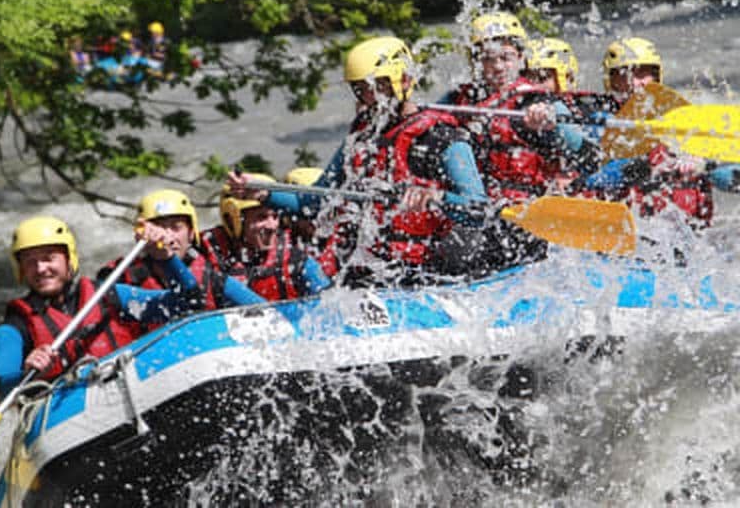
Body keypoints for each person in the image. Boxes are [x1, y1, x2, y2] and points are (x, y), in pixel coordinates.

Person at [228, 36, 541, 286]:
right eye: (361, 90)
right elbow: (318, 202)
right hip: (376, 268)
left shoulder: (441, 137)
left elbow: (478, 210)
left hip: (433, 273)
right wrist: (265, 194)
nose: (369, 99)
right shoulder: (362, 137)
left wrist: (436, 198)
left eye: (377, 87)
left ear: (403, 81)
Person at [0, 215, 200, 400]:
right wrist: (27, 375)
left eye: (49, 258)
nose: (41, 268)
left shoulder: (109, 296)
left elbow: (188, 302)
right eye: (30, 262)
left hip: (133, 396)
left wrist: (166, 258)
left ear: (69, 260)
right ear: (20, 269)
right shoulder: (15, 326)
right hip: (66, 423)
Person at [441, 11, 601, 203]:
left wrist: (552, 125)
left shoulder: (536, 99)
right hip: (482, 206)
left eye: (506, 57)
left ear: (520, 57)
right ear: (475, 61)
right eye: (488, 58)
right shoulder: (460, 98)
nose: (498, 67)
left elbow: (592, 158)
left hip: (529, 205)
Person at [586, 37, 740, 228]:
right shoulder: (600, 122)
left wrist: (705, 166)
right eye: (626, 75)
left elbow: (730, 176)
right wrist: (647, 167)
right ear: (612, 82)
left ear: (657, 77)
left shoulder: (684, 120)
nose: (636, 83)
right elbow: (593, 180)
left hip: (685, 237)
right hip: (627, 234)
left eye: (643, 74)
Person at [97, 189, 266, 328]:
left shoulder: (215, 282)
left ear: (191, 233)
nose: (168, 237)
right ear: (140, 235)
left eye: (176, 228)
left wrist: (166, 258)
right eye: (159, 228)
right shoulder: (117, 278)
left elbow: (270, 315)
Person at [201, 174, 331, 300]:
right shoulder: (207, 255)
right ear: (232, 220)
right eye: (262, 217)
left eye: (275, 217)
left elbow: (329, 305)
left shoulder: (296, 259)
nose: (272, 226)